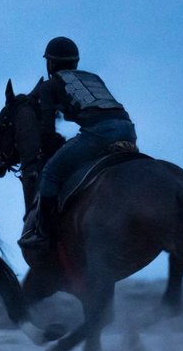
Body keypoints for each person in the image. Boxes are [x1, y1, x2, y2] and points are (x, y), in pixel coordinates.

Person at [18, 37, 137, 251]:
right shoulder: (94, 78)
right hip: (128, 129)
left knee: (51, 172)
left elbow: (47, 131)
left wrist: (48, 149)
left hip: (98, 134)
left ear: (51, 63)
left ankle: (41, 233)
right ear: (75, 62)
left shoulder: (50, 86)